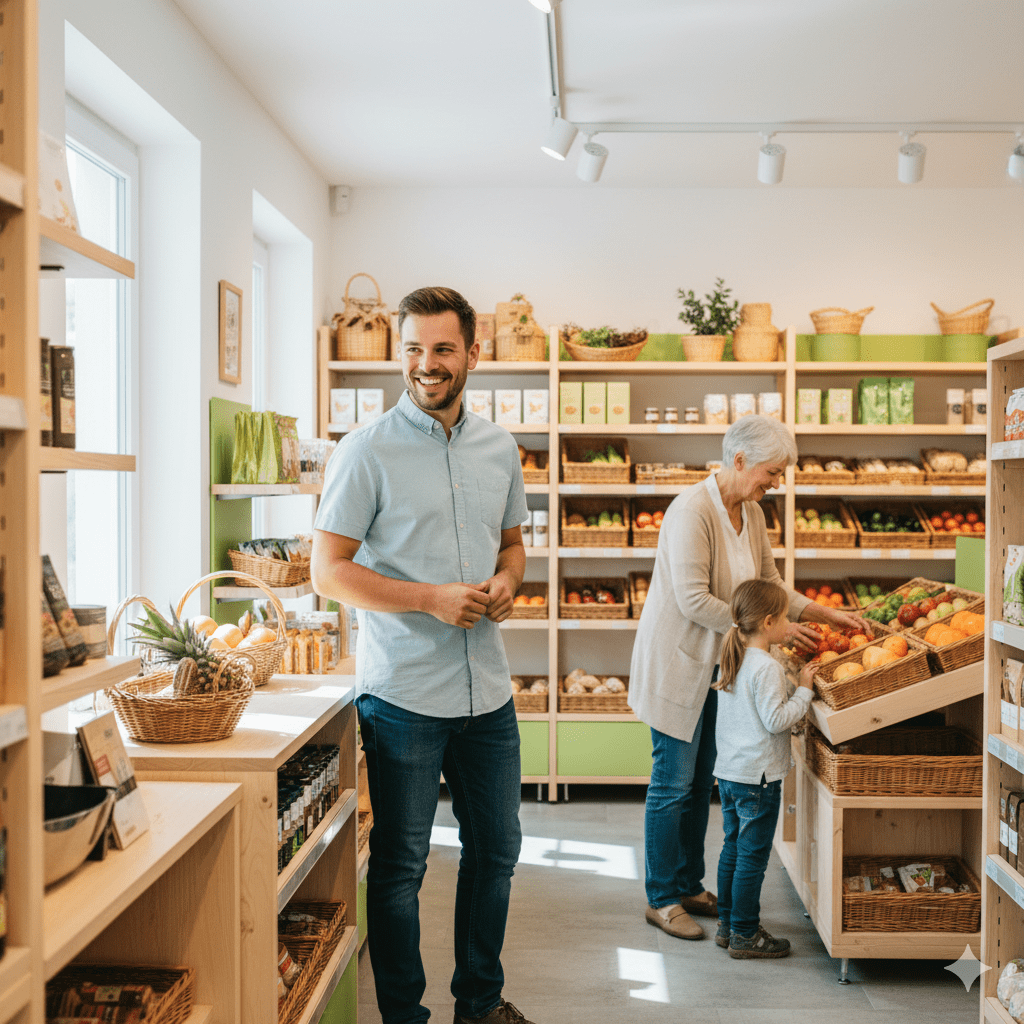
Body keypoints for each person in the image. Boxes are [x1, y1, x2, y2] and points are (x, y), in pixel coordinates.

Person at [311, 286, 536, 1024]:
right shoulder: (365, 451)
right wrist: (428, 598)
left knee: (497, 850)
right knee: (403, 866)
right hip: (404, 695)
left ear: (474, 353)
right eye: (413, 348)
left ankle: (479, 1003)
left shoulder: (499, 446)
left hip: (488, 694)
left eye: (442, 348)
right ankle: (404, 1017)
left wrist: (507, 581)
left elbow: (513, 544)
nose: (426, 364)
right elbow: (328, 570)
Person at [628, 414, 868, 940]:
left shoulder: (752, 513)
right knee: (672, 784)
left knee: (701, 781)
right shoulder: (692, 511)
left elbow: (770, 586)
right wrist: (766, 630)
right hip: (680, 664)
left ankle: (688, 883)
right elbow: (693, 601)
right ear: (739, 460)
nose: (775, 482)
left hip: (722, 669)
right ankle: (661, 898)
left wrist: (823, 615)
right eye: (772, 471)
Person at [712, 578, 817, 958]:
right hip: (758, 779)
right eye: (788, 617)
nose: (791, 623)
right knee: (752, 859)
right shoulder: (768, 668)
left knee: (732, 850)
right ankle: (744, 934)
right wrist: (804, 689)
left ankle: (727, 925)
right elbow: (776, 720)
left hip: (730, 772)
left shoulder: (734, 657)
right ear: (770, 622)